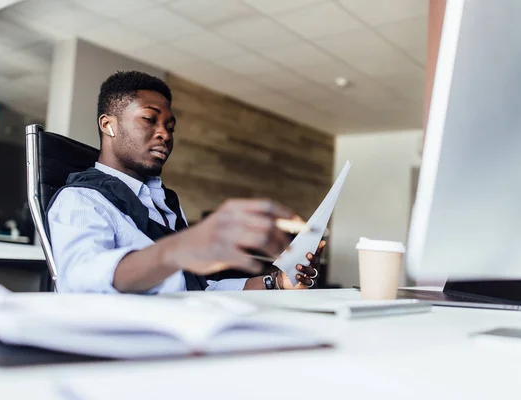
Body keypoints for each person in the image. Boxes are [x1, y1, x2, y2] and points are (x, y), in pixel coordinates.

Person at [47, 70, 326, 294]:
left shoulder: (164, 202)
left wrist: (275, 282)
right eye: (149, 119)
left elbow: (196, 288)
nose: (165, 135)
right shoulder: (81, 200)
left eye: (170, 126)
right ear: (108, 125)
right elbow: (80, 282)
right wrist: (182, 246)